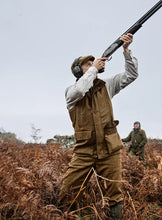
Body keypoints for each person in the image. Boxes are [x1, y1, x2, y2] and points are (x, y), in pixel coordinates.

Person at [58, 33, 138, 219]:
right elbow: (81, 89)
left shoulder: (107, 85)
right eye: (88, 64)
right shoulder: (71, 92)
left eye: (93, 63)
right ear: (79, 70)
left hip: (109, 148)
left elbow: (132, 75)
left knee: (114, 193)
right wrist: (93, 69)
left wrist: (126, 50)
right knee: (68, 190)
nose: (93, 64)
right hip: (84, 151)